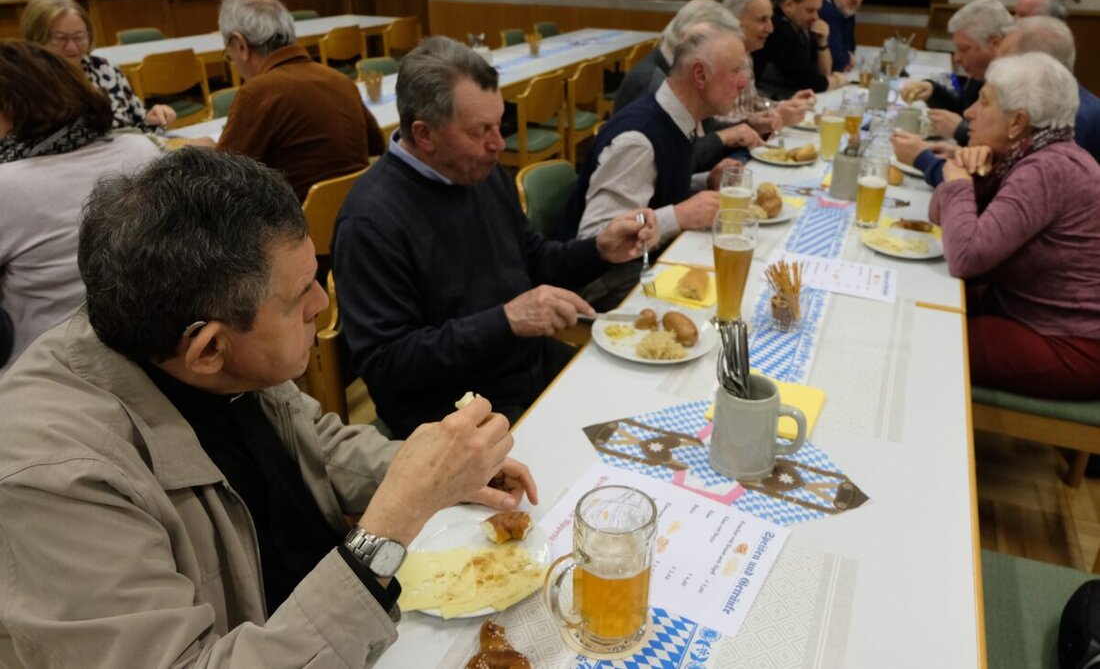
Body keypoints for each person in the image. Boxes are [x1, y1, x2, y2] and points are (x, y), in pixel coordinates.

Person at [0, 147, 537, 667]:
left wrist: (437, 474)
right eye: (300, 295)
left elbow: (311, 439)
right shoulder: (54, 479)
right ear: (208, 348)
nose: (323, 305)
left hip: (344, 622)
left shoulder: (202, 342)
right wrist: (391, 525)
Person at [332, 36, 654, 439]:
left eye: (499, 124)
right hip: (455, 413)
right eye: (480, 131)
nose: (499, 144)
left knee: (639, 405)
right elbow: (388, 366)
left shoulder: (475, 172)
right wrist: (505, 321)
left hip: (521, 367)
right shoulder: (370, 221)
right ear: (424, 134)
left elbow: (533, 258)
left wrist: (599, 250)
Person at [928, 53, 1100, 400]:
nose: (969, 112)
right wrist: (974, 176)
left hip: (1070, 342)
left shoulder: (1048, 169)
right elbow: (938, 216)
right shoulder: (1029, 157)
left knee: (928, 342)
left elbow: (965, 257)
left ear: (1018, 122)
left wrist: (960, 181)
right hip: (1023, 309)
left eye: (984, 102)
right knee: (922, 304)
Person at [0, 39, 160, 376]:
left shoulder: (9, 184)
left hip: (49, 373)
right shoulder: (141, 149)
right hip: (154, 355)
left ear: (13, 109)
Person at [561, 21, 749, 252]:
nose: (744, 83)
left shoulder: (677, 118)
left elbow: (654, 186)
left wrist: (704, 181)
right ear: (700, 75)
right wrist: (679, 216)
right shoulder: (638, 142)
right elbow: (594, 237)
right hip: (601, 284)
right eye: (735, 71)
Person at [208, 0, 384, 201]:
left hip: (297, 226)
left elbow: (222, 180)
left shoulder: (258, 93)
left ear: (241, 45)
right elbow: (376, 145)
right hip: (354, 215)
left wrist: (207, 153)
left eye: (229, 53)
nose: (233, 61)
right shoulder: (340, 80)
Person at [893, 15, 1100, 181]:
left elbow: (999, 198)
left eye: (1004, 60)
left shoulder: (1068, 121)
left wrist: (924, 159)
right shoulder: (1060, 104)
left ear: (1036, 66)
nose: (996, 67)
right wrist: (961, 156)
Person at [613, 0, 764, 171]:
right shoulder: (653, 83)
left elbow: (704, 131)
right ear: (691, 37)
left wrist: (750, 125)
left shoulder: (680, 75)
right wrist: (723, 137)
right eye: (734, 70)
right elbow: (669, 161)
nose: (743, 82)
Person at [19, 0, 176, 131]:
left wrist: (154, 117)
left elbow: (138, 125)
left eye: (79, 36)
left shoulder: (105, 69)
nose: (72, 46)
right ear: (35, 39)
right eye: (60, 38)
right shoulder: (26, 83)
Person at [899, 0, 1013, 144]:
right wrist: (933, 91)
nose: (957, 58)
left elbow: (1005, 148)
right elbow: (962, 108)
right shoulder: (982, 73)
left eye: (964, 49)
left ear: (995, 44)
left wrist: (960, 130)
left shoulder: (1015, 83)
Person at [722, 0, 814, 130]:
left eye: (770, 19)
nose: (770, 29)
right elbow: (717, 122)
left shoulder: (746, 52)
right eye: (762, 20)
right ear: (735, 20)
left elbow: (751, 102)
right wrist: (775, 115)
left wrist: (784, 105)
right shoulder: (720, 57)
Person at [754, 0, 847, 98]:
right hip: (768, 100)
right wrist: (838, 81)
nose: (816, 17)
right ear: (789, 4)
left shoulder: (801, 27)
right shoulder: (779, 29)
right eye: (810, 10)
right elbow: (812, 83)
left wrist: (822, 43)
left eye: (817, 10)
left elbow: (823, 73)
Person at [819, 0, 867, 72]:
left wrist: (848, 56)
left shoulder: (846, 11)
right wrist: (848, 58)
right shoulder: (827, 11)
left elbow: (851, 47)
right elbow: (837, 62)